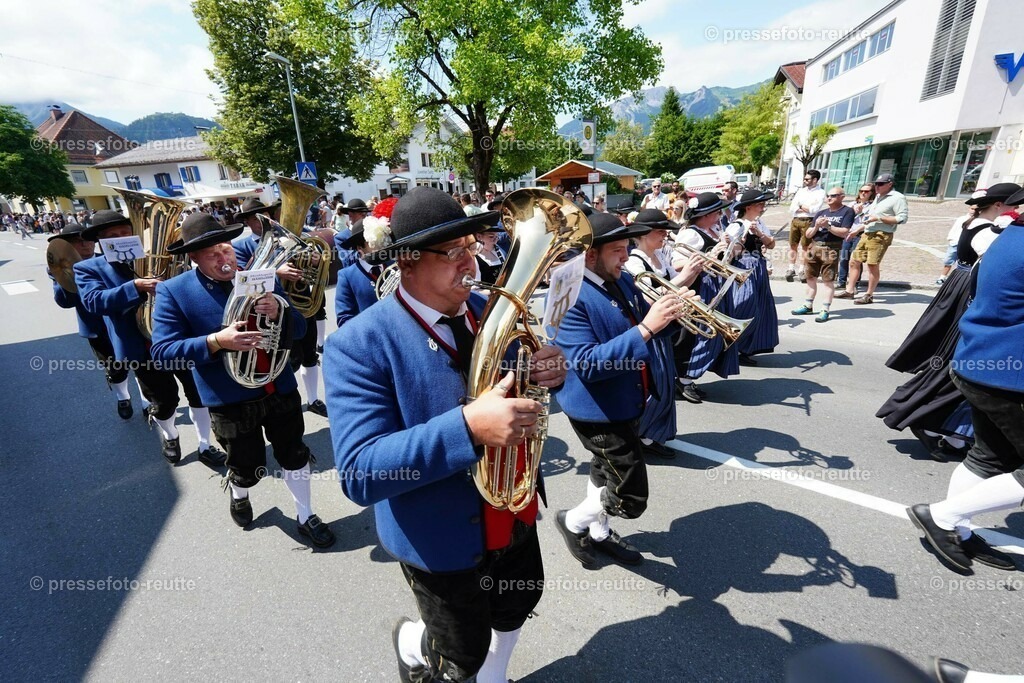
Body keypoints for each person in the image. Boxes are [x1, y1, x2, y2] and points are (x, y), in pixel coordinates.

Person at [324, 187, 566, 683]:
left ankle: (494, 675)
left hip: (514, 506)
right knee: (459, 649)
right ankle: (413, 642)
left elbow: (521, 398)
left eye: (471, 248)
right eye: (452, 254)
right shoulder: (358, 343)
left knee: (518, 602)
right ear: (407, 262)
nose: (470, 265)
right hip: (440, 534)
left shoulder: (494, 313)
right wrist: (468, 427)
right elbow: (359, 472)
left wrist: (548, 374)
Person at [150, 212, 335, 548]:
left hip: (278, 386)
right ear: (194, 258)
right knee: (245, 465)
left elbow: (301, 328)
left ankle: (305, 515)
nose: (225, 260)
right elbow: (162, 351)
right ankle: (239, 493)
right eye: (213, 255)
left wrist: (280, 311)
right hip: (228, 397)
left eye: (227, 250)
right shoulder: (174, 292)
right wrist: (216, 341)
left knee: (294, 453)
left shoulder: (259, 277)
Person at [555, 211, 689, 567]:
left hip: (628, 399)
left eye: (626, 248)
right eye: (617, 250)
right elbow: (586, 364)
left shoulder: (620, 277)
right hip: (597, 410)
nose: (626, 256)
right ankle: (573, 522)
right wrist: (647, 327)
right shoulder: (568, 293)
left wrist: (673, 317)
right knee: (630, 496)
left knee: (603, 470)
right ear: (589, 254)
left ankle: (598, 532)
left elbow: (641, 326)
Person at [906, 192, 1024, 574]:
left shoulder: (1009, 233)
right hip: (1008, 373)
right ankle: (944, 516)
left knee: (988, 456)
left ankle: (958, 529)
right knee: (993, 457)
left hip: (982, 362)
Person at [877, 183, 1020, 461]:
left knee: (955, 358)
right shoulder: (988, 231)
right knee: (961, 360)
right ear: (1000, 205)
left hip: (961, 282)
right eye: (1013, 205)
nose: (1016, 211)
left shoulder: (975, 223)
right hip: (970, 288)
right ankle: (930, 420)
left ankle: (954, 431)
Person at [74, 210, 225, 467]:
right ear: (100, 240)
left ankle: (204, 444)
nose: (121, 239)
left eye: (125, 233)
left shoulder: (158, 255)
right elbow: (93, 301)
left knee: (198, 393)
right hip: (140, 346)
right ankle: (170, 434)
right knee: (164, 400)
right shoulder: (87, 267)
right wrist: (134, 287)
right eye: (113, 236)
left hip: (177, 338)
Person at [624, 209, 702, 457]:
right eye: (660, 232)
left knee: (666, 381)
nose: (664, 237)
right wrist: (687, 276)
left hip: (664, 325)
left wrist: (693, 273)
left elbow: (674, 285)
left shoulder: (658, 255)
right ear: (644, 234)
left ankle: (652, 433)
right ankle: (643, 435)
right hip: (649, 326)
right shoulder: (634, 261)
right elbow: (648, 296)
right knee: (655, 383)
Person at [48, 223, 138, 419]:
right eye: (77, 242)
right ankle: (123, 396)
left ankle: (149, 402)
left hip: (122, 321)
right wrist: (63, 274)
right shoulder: (60, 268)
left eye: (87, 240)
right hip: (96, 326)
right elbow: (65, 302)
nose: (85, 245)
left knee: (140, 362)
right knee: (115, 368)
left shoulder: (107, 259)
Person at [672, 192, 739, 403]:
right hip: (699, 287)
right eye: (717, 211)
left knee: (711, 336)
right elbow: (676, 264)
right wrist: (708, 256)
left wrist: (727, 247)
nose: (720, 214)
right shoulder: (691, 234)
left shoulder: (714, 229)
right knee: (695, 337)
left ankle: (688, 379)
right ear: (705, 214)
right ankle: (682, 380)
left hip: (715, 286)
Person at [834, 172, 909, 304]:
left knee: (872, 265)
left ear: (890, 184)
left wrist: (879, 218)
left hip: (880, 235)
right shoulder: (879, 196)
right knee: (854, 261)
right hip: (867, 233)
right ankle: (849, 291)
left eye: (880, 184)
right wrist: (857, 230)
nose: (877, 187)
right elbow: (870, 217)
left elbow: (902, 219)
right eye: (876, 184)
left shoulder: (898, 198)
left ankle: (869, 295)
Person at [724, 189, 779, 361]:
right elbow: (731, 251)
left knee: (761, 309)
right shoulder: (736, 225)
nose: (763, 207)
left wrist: (759, 234)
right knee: (744, 306)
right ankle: (730, 345)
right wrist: (744, 236)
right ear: (748, 207)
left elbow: (771, 245)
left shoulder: (759, 223)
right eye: (760, 204)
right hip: (743, 267)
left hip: (758, 267)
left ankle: (745, 349)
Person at [792, 186, 854, 323]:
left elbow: (844, 232)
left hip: (831, 248)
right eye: (828, 196)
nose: (829, 198)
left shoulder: (847, 212)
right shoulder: (821, 213)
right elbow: (808, 234)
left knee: (828, 280)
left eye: (833, 195)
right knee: (810, 277)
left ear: (842, 196)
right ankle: (808, 305)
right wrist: (816, 227)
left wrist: (828, 227)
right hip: (814, 246)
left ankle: (825, 309)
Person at [333, 217, 387, 327]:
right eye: (372, 242)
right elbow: (344, 319)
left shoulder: (393, 266)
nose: (379, 244)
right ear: (359, 248)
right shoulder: (347, 276)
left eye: (380, 239)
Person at [786, 170, 826, 282]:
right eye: (805, 179)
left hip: (809, 221)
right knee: (793, 245)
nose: (805, 181)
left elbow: (814, 210)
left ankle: (802, 269)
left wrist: (800, 206)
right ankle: (791, 268)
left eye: (807, 179)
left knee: (806, 246)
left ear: (815, 180)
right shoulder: (801, 191)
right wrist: (803, 207)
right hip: (796, 220)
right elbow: (792, 207)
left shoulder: (820, 192)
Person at [836, 184, 875, 289]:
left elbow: (867, 222)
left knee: (856, 259)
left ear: (872, 193)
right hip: (848, 234)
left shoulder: (872, 206)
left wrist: (861, 213)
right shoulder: (852, 204)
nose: (863, 193)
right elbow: (845, 218)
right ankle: (841, 281)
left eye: (866, 191)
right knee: (844, 257)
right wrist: (852, 212)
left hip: (860, 234)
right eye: (861, 191)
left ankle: (854, 284)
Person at [937, 201, 980, 286]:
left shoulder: (978, 220)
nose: (973, 211)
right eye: (972, 208)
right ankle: (942, 277)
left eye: (975, 209)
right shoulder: (961, 219)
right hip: (955, 242)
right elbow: (954, 229)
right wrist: (950, 238)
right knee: (948, 260)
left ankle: (957, 279)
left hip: (966, 245)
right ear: (969, 208)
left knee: (962, 262)